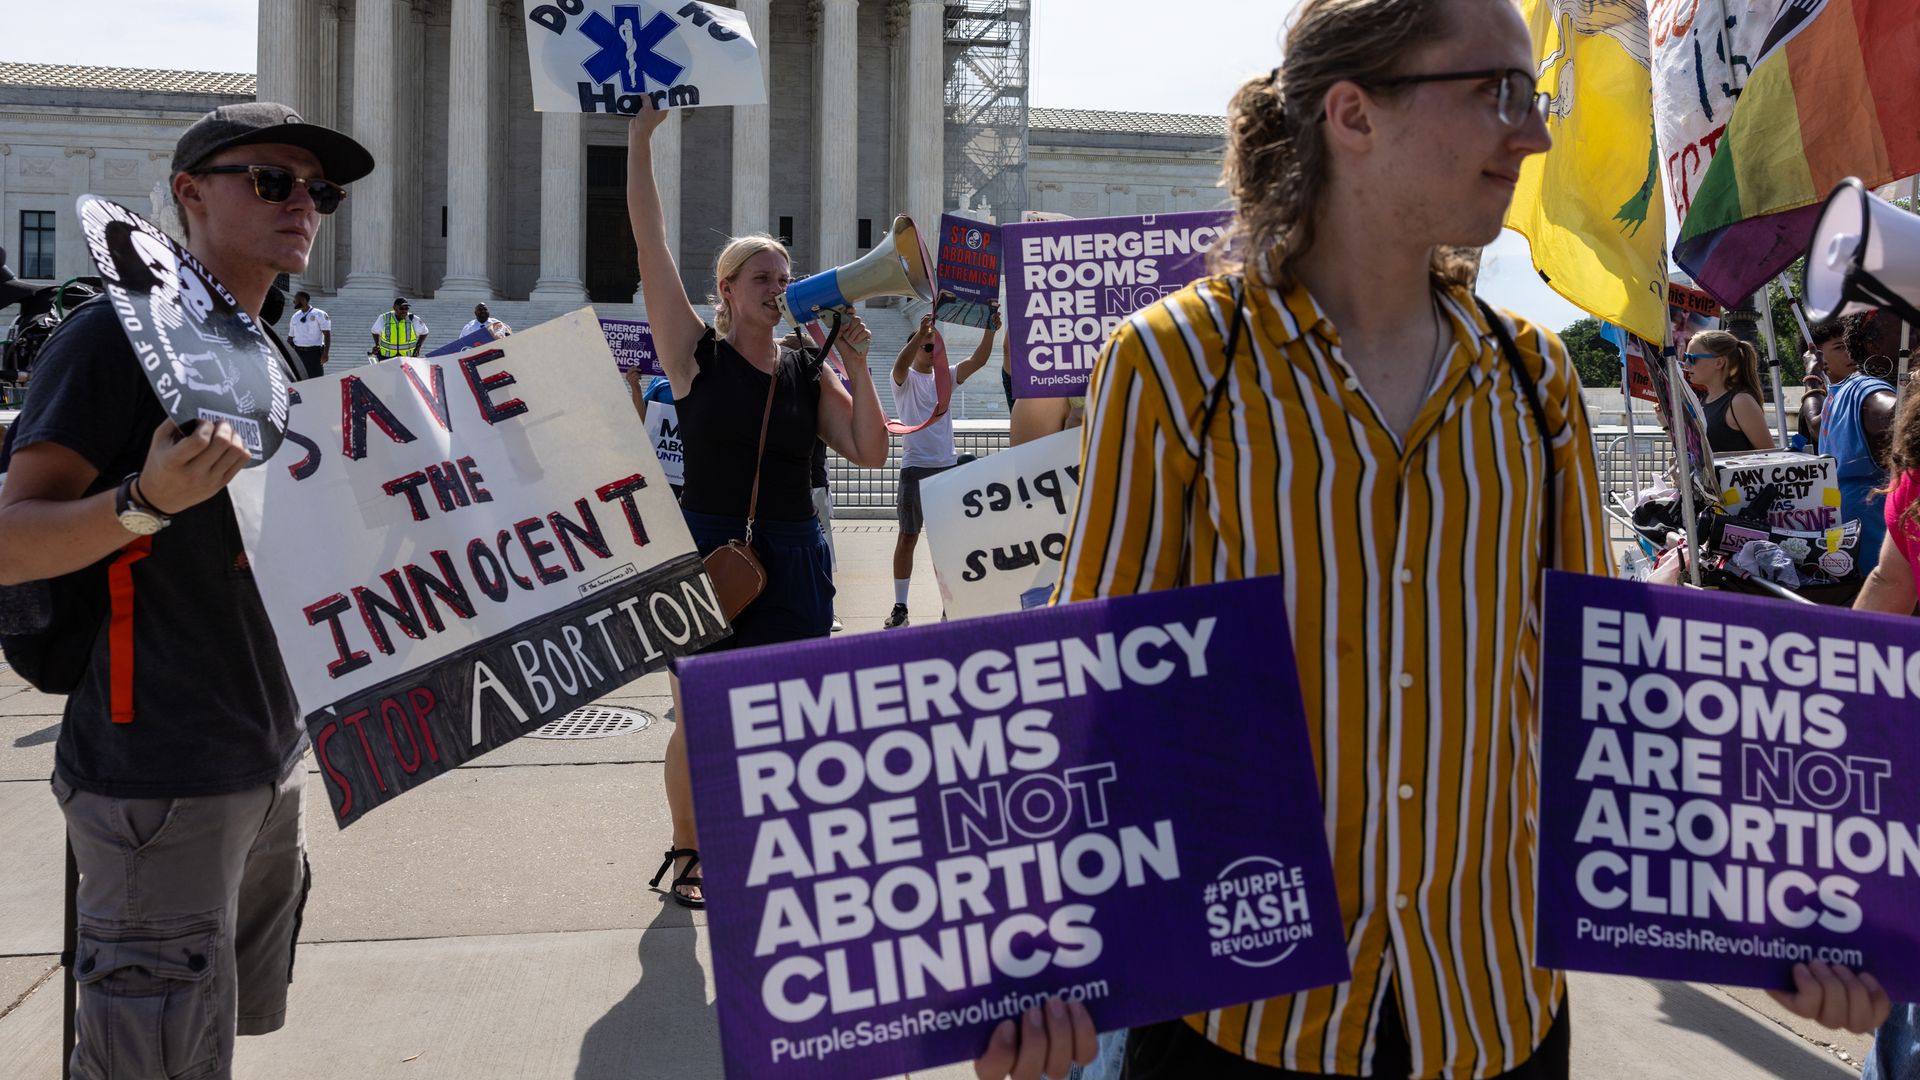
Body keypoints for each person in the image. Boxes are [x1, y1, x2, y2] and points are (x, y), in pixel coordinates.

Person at [975, 1, 1890, 1076]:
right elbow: (1091, 694)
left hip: (1495, 1016)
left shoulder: (1531, 379)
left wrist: (1779, 918)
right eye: (1498, 93)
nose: (1534, 135)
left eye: (1531, 96)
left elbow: (1607, 698)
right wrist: (1031, 968)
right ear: (1353, 115)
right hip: (1254, 1024)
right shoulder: (1177, 366)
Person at [0, 101, 373, 1079]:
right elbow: (8, 541)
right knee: (146, 1060)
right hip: (155, 779)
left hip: (261, 759)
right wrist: (140, 503)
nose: (303, 204)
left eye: (319, 190)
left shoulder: (265, 352)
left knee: (200, 1045)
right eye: (272, 180)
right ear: (188, 195)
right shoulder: (111, 340)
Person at [625, 98, 888, 908]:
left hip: (796, 552)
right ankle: (690, 852)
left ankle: (777, 852)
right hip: (706, 549)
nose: (778, 287)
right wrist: (639, 142)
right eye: (762, 278)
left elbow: (872, 450)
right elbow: (650, 245)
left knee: (791, 720)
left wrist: (859, 365)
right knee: (698, 717)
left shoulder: (811, 368)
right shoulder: (691, 355)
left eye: (785, 275)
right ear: (727, 290)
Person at [885, 303, 999, 627]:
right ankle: (900, 607)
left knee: (946, 545)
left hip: (945, 468)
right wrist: (919, 334)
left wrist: (990, 327)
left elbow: (978, 361)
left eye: (933, 344)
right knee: (907, 537)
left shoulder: (945, 377)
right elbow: (899, 364)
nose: (930, 346)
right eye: (925, 343)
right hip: (915, 468)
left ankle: (950, 607)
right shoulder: (903, 380)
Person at [1824, 309, 1899, 573]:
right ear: (1873, 343)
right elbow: (1894, 414)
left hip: (1849, 518)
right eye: (1910, 329)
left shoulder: (1843, 388)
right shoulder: (1872, 390)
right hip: (1873, 524)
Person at [1683, 329, 1769, 453]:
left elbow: (1770, 456)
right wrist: (1666, 423)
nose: (1686, 364)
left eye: (1692, 358)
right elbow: (1694, 454)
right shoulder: (1703, 400)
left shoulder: (1740, 402)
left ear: (1719, 362)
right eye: (1685, 357)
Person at [287, 288, 331, 379]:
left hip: (314, 353)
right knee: (299, 379)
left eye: (295, 299)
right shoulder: (295, 317)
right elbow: (290, 337)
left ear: (303, 300)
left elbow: (327, 334)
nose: (293, 302)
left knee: (316, 379)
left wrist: (325, 353)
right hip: (298, 353)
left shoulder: (320, 314)